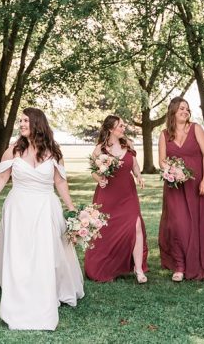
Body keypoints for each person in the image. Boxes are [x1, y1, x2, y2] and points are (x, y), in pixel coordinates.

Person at [0, 108, 84, 331]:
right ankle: (18, 294)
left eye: (25, 120)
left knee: (45, 250)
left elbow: (60, 183)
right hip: (18, 207)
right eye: (20, 120)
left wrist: (72, 209)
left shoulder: (54, 152)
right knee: (19, 251)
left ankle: (44, 288)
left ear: (37, 123)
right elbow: (1, 177)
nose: (21, 124)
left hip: (45, 207)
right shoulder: (13, 151)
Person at [83, 114, 149, 283]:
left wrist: (139, 176)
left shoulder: (128, 144)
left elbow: (134, 165)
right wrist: (99, 179)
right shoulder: (100, 149)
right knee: (105, 231)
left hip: (127, 194)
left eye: (123, 125)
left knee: (136, 226)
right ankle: (106, 265)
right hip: (107, 195)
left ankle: (139, 269)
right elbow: (92, 170)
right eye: (120, 125)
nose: (123, 128)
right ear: (111, 129)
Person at [157, 97, 204, 281]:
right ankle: (179, 266)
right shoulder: (164, 134)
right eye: (181, 108)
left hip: (197, 184)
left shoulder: (196, 128)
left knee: (195, 223)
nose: (185, 111)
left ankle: (195, 262)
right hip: (175, 186)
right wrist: (172, 171)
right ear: (173, 110)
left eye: (187, 109)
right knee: (178, 224)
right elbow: (162, 160)